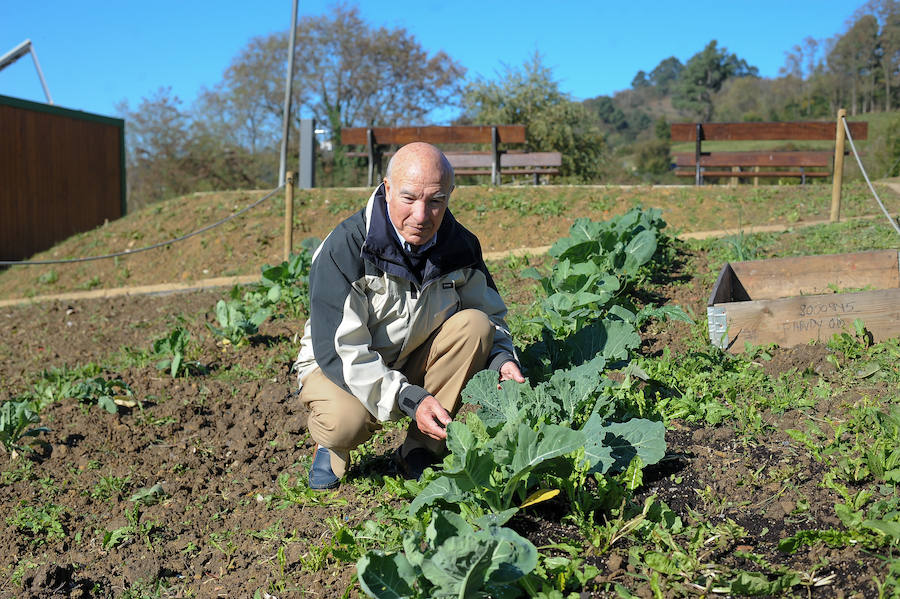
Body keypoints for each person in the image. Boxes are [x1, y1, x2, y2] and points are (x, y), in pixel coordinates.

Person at [294, 142, 525, 489]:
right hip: (337, 364)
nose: (421, 215)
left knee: (475, 326)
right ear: (387, 190)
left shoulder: (460, 246)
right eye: (409, 198)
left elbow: (488, 316)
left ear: (449, 196)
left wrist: (501, 358)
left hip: (410, 353)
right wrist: (407, 397)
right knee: (346, 422)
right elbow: (343, 351)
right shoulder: (345, 248)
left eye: (436, 201)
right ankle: (331, 445)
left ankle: (422, 447)